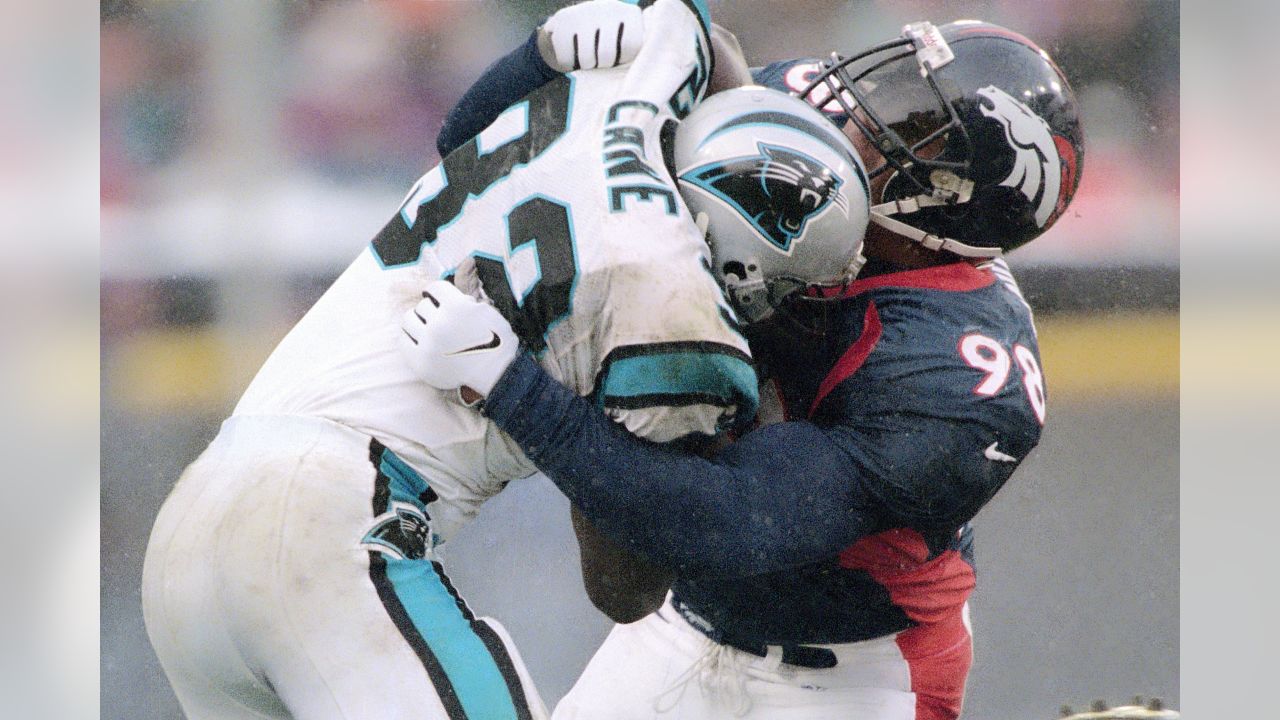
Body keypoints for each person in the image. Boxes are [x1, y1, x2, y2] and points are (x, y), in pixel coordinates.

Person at [139, 1, 869, 718]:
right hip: (326, 537)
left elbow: (461, 132)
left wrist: (537, 56)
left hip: (191, 534)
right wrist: (543, 399)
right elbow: (625, 584)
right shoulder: (676, 304)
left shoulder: (643, 77)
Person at [398, 19, 1084, 720]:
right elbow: (465, 146)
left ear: (948, 204)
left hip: (853, 675)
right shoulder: (799, 112)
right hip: (685, 626)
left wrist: (511, 387)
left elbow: (719, 524)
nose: (856, 115)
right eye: (894, 83)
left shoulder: (953, 374)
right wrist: (544, 55)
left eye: (911, 128)